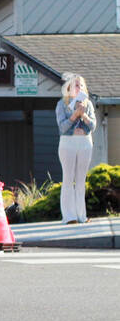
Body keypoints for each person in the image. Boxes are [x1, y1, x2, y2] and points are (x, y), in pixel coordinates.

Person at [56, 74, 95, 224]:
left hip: (85, 143)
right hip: (68, 144)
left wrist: (83, 115)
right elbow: (62, 127)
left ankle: (81, 216)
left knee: (80, 180)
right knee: (68, 179)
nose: (79, 88)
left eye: (81, 85)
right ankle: (69, 217)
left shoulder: (88, 104)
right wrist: (74, 115)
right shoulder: (61, 105)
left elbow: (92, 126)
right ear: (69, 88)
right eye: (76, 85)